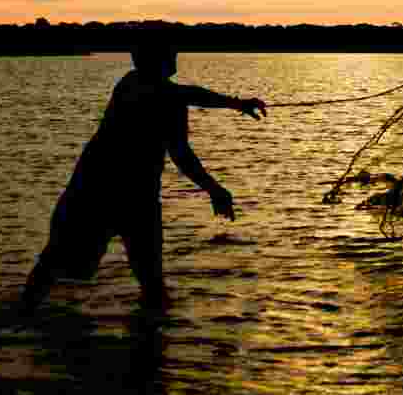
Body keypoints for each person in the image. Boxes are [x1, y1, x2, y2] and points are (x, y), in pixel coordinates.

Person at [21, 42, 266, 313]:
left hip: (129, 197)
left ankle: (149, 341)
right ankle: (22, 319)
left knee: (149, 282)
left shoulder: (144, 88)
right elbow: (183, 106)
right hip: (97, 194)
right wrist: (236, 105)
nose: (175, 56)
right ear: (153, 60)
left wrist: (235, 106)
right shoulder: (138, 88)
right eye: (169, 52)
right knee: (58, 263)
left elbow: (181, 146)